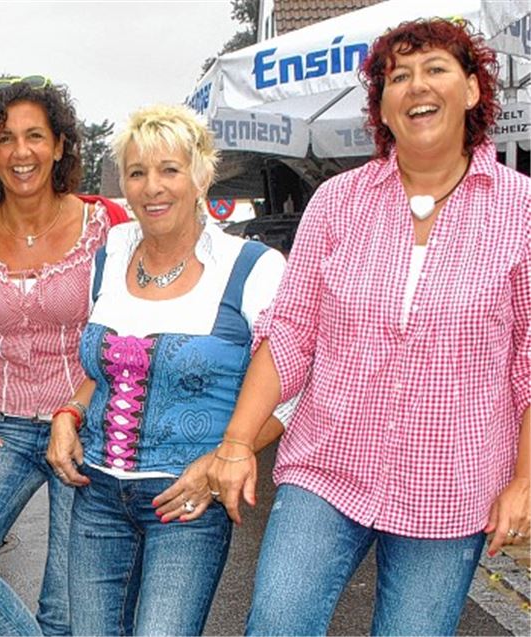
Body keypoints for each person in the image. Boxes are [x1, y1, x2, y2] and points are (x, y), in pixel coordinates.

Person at [207, 18, 531, 635]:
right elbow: (291, 330)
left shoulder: (521, 211)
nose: (415, 86)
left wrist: (525, 480)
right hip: (329, 466)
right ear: (380, 104)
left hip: (450, 486)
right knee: (276, 625)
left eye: (435, 69)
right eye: (396, 76)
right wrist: (235, 444)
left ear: (471, 89)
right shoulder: (338, 201)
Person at [44, 104, 291, 636]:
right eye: (137, 172)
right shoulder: (111, 252)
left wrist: (225, 457)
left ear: (201, 174)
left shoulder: (252, 268)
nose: (152, 187)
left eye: (169, 170)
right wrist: (69, 412)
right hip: (97, 494)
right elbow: (105, 367)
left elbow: (289, 392)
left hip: (187, 501)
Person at [0, 75, 129, 636]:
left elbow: (127, 327)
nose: (21, 153)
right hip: (2, 426)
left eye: (35, 136)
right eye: (4, 138)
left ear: (60, 144)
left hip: (84, 426)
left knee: (65, 611)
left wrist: (85, 410)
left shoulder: (106, 225)